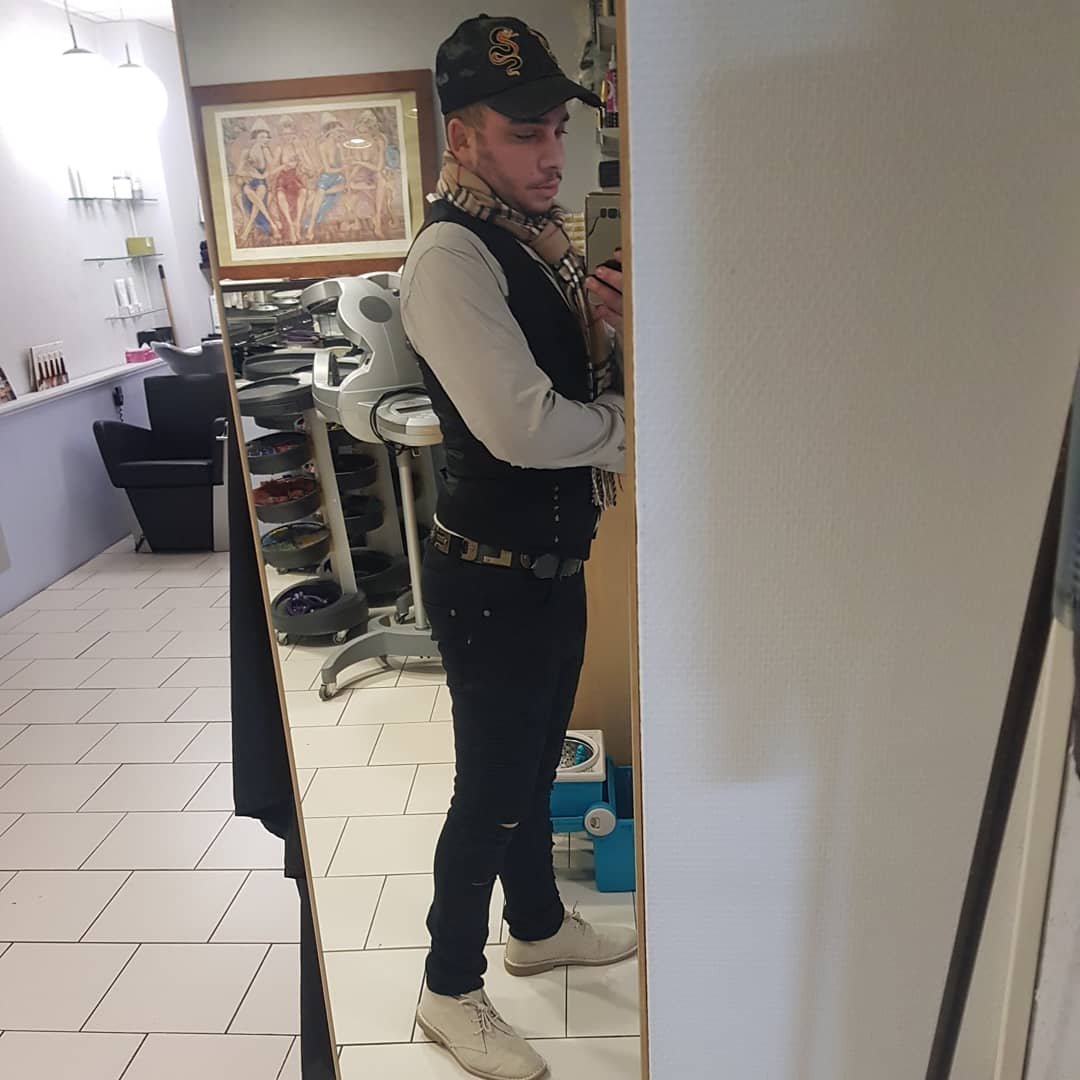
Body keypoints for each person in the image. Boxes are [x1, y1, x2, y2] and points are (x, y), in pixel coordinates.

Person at [400, 15, 632, 1080]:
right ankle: (447, 988)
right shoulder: (452, 255)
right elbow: (523, 426)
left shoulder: (537, 244)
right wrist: (634, 424)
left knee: (536, 767)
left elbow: (557, 379)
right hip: (489, 579)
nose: (551, 156)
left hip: (547, 566)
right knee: (491, 790)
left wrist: (607, 330)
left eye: (558, 131)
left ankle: (534, 927)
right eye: (524, 133)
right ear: (463, 137)